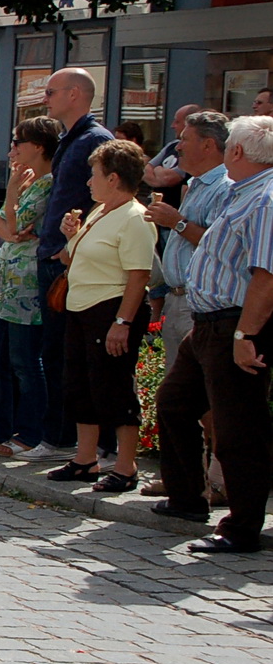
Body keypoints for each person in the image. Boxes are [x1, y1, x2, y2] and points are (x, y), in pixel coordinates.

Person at [152, 115, 273, 553]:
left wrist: (245, 335)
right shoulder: (244, 193)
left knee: (238, 428)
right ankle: (187, 498)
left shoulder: (264, 199)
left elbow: (266, 276)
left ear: (236, 151)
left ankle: (242, 527)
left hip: (234, 324)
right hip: (208, 323)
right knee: (174, 402)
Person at [48, 139, 155, 491]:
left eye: (94, 175)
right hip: (81, 307)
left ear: (113, 178)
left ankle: (126, 466)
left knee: (114, 387)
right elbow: (71, 258)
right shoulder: (100, 211)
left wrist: (122, 323)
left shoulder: (135, 217)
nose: (88, 182)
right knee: (79, 385)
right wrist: (71, 236)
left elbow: (139, 275)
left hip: (111, 308)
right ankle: (85, 459)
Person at [141, 110, 231, 500]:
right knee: (178, 398)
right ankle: (183, 476)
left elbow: (221, 243)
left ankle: (218, 479)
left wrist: (176, 222)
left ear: (209, 145)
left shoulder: (224, 186)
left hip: (204, 303)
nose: (178, 146)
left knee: (206, 399)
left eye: (186, 139)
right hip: (179, 298)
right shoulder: (194, 184)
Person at [34, 69, 114, 456]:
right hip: (55, 253)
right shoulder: (72, 138)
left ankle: (73, 439)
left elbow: (106, 199)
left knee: (70, 356)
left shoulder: (95, 140)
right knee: (55, 353)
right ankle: (61, 435)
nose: (45, 99)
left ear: (74, 94)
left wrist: (71, 247)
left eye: (51, 92)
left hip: (70, 260)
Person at [0, 117, 59, 457]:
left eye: (18, 143)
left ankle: (30, 432)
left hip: (27, 285)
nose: (12, 149)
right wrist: (12, 207)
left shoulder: (47, 184)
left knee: (25, 361)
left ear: (38, 147)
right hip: (7, 281)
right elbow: (1, 225)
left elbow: (13, 226)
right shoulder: (26, 181)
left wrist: (13, 195)